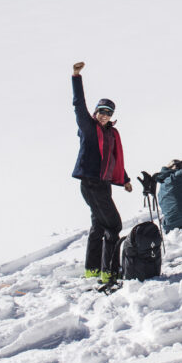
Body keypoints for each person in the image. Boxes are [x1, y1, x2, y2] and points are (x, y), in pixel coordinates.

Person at [71, 61, 132, 283]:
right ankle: (110, 271)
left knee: (99, 225)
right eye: (101, 111)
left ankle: (93, 269)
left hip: (103, 184)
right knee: (113, 225)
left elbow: (114, 160)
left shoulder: (111, 133)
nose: (104, 115)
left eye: (108, 113)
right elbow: (79, 104)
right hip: (91, 183)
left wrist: (124, 179)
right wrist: (76, 77)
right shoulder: (88, 127)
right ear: (96, 112)